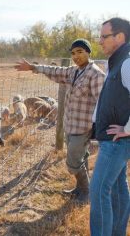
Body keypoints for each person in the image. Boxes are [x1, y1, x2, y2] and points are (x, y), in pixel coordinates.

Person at [15, 38, 105, 203]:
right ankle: (81, 188)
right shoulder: (74, 71)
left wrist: (99, 128)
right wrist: (34, 67)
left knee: (73, 162)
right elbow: (55, 71)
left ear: (88, 52)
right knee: (81, 157)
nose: (76, 56)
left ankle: (87, 193)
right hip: (70, 124)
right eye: (73, 53)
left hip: (83, 127)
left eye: (80, 52)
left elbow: (103, 103)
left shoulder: (96, 75)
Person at [90, 17, 130, 236]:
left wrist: (127, 129)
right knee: (117, 188)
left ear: (120, 37)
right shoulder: (116, 62)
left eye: (104, 37)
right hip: (115, 140)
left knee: (98, 191)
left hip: (118, 141)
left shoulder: (127, 62)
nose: (100, 41)